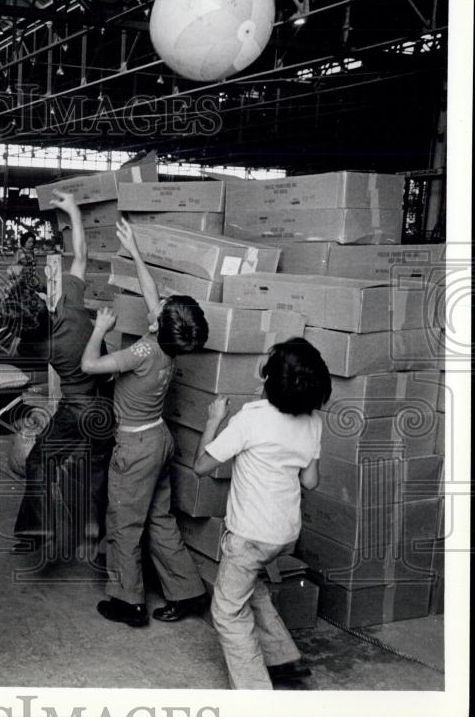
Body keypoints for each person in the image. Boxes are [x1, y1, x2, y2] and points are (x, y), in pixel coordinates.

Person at [81, 218, 209, 628]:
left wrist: (100, 330)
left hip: (135, 448)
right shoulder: (171, 344)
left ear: (156, 323)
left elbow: (89, 365)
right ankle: (188, 591)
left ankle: (128, 602)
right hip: (159, 438)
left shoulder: (142, 352)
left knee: (123, 522)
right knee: (159, 517)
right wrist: (135, 251)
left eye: (161, 309)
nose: (158, 304)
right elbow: (153, 293)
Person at [193, 338, 330, 689]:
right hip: (284, 534)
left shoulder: (250, 419)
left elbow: (201, 466)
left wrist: (213, 420)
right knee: (247, 585)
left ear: (270, 378)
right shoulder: (313, 421)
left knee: (226, 610)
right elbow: (310, 481)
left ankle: (255, 694)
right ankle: (284, 660)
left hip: (249, 535)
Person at [12, 191, 114, 562]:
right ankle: (98, 539)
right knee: (98, 473)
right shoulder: (69, 305)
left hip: (76, 410)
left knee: (39, 462)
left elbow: (18, 344)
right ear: (42, 302)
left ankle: (36, 531)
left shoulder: (36, 347)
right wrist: (73, 211)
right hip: (106, 405)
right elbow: (81, 255)